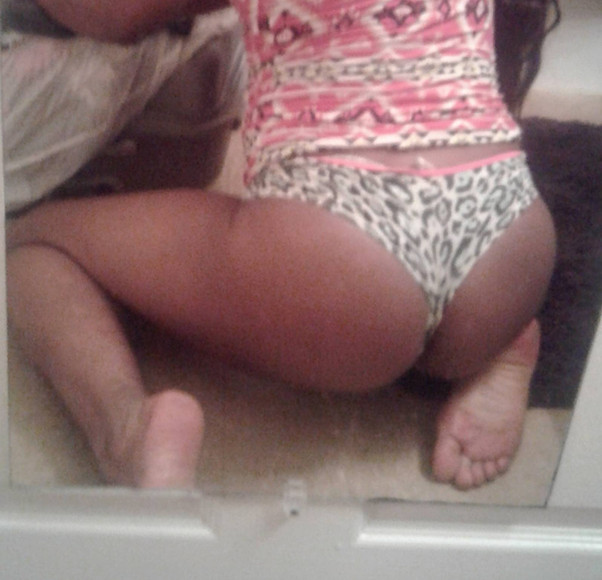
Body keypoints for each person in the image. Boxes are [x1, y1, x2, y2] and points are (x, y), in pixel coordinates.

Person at [6, 0, 557, 490]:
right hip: (510, 237)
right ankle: (496, 347)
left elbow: (116, 14)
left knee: (34, 243)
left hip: (346, 254)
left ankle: (126, 430)